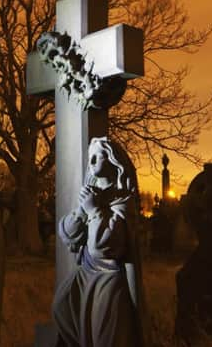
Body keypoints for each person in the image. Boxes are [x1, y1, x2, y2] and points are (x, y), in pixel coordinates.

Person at [53, 136, 148, 347]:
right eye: (91, 157)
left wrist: (93, 210)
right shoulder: (92, 195)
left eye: (99, 156)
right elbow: (68, 235)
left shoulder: (122, 200)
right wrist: (81, 211)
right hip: (85, 274)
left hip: (108, 278)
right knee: (62, 308)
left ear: (114, 161)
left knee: (103, 336)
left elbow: (102, 247)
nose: (92, 161)